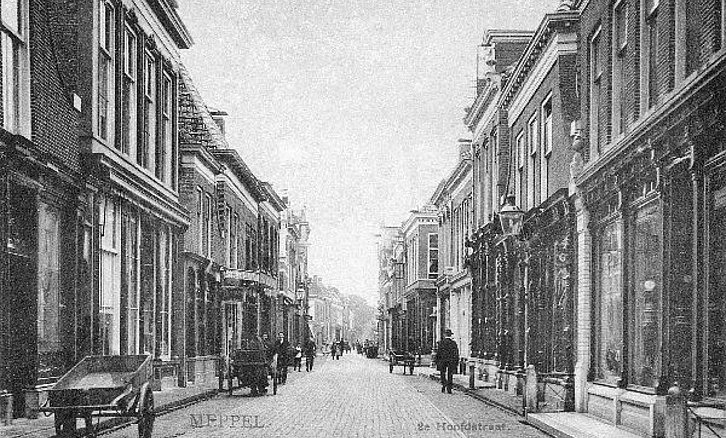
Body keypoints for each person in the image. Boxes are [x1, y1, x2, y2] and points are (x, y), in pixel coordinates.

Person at [437, 328, 459, 394]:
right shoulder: (453, 343)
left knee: (442, 373)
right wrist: (456, 361)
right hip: (451, 361)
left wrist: (437, 361)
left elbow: (438, 353)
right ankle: (449, 388)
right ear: (450, 335)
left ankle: (444, 384)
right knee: (450, 374)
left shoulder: (441, 342)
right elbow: (456, 353)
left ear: (445, 335)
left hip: (443, 360)